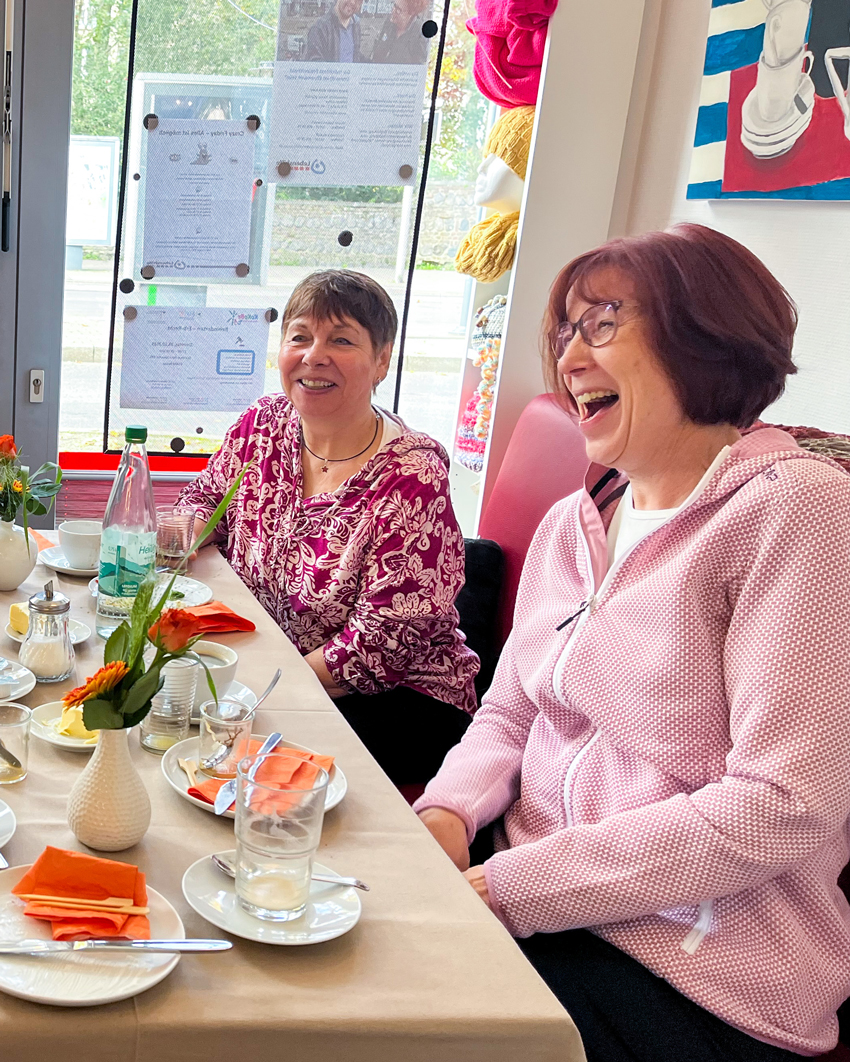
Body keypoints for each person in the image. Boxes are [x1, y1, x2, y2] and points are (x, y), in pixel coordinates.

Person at [414, 224, 850, 1059]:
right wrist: (445, 811)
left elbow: (782, 806)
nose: (571, 356)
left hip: (696, 966)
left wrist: (513, 888)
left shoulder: (796, 512)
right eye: (567, 330)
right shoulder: (572, 523)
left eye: (604, 322)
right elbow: (509, 714)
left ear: (710, 335)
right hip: (533, 894)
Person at [179, 270, 479, 785]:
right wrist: (170, 538)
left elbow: (379, 646)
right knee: (170, 709)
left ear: (382, 360)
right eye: (300, 337)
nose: (314, 355)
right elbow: (207, 498)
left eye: (341, 340)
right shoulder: (265, 423)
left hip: (397, 699)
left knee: (222, 763)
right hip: (279, 664)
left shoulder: (411, 473)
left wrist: (253, 689)